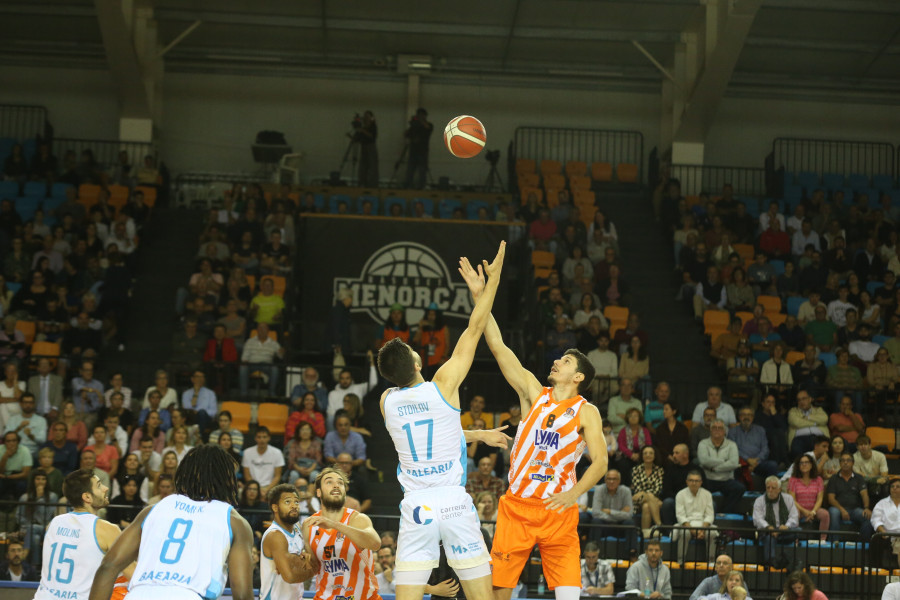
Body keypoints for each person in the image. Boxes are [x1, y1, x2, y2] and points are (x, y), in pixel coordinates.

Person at [460, 251, 610, 600]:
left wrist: (573, 494)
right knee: (499, 592)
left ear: (579, 376)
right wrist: (480, 293)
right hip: (518, 507)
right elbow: (497, 346)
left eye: (566, 360)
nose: (557, 361)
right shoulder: (533, 393)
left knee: (569, 594)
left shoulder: (587, 412)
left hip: (559, 509)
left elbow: (601, 463)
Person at [375, 243, 507, 600]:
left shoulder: (387, 402)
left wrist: (478, 433)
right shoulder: (444, 385)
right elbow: (476, 326)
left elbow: (433, 430)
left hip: (416, 505)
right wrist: (489, 284)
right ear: (417, 363)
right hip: (453, 501)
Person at [89, 445, 255, 600]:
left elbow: (108, 566)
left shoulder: (154, 509)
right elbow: (241, 593)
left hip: (139, 594)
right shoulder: (234, 521)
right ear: (226, 478)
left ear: (185, 472)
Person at [34, 469, 127, 598]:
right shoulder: (107, 529)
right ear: (87, 497)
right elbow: (134, 574)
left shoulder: (53, 524)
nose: (105, 488)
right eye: (99, 485)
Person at [298, 468, 382, 599]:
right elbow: (314, 567)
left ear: (344, 491)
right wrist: (300, 561)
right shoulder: (309, 525)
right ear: (318, 492)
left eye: (340, 483)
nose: (336, 485)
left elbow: (375, 543)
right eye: (329, 482)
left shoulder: (357, 519)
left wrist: (333, 524)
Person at [260, 484, 305, 600]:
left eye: (296, 502)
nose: (294, 506)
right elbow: (289, 576)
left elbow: (309, 558)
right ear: (275, 508)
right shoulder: (275, 535)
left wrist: (298, 562)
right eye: (287, 502)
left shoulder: (297, 528)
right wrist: (314, 567)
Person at [697, 420, 745, 513]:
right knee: (694, 486)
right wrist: (724, 461)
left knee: (740, 488)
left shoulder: (732, 445)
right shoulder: (703, 443)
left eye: (720, 428)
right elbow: (704, 460)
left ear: (725, 431)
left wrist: (714, 469)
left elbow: (734, 463)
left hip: (726, 480)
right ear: (710, 430)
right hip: (708, 479)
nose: (717, 430)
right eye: (714, 428)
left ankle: (724, 512)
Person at [753, 476, 800, 568]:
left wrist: (786, 526)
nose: (770, 490)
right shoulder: (759, 501)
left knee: (798, 530)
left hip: (784, 531)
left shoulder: (788, 499)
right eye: (768, 487)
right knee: (768, 537)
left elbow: (794, 517)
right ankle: (771, 563)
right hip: (767, 531)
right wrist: (768, 527)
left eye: (773, 488)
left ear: (779, 489)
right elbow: (757, 519)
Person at [825, 452, 873, 541]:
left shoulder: (859, 478)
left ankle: (862, 544)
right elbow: (831, 499)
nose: (845, 462)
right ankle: (834, 543)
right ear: (840, 463)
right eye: (843, 460)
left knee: (868, 517)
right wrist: (842, 510)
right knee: (833, 513)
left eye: (848, 460)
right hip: (838, 509)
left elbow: (864, 494)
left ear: (853, 463)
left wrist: (866, 508)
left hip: (855, 509)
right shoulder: (834, 478)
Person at [674, 470, 717, 564]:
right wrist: (693, 531)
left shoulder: (707, 494)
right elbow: (680, 516)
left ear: (701, 482)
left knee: (713, 533)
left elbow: (709, 515)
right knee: (685, 533)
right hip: (686, 524)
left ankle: (711, 561)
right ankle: (681, 561)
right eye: (691, 480)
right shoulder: (680, 494)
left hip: (703, 524)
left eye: (697, 481)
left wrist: (702, 530)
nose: (694, 483)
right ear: (687, 482)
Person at [787, 454, 829, 542]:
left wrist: (813, 512)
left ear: (811, 464)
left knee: (825, 514)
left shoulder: (818, 479)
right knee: (795, 514)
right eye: (801, 463)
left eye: (806, 462)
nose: (804, 465)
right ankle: (795, 539)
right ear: (798, 466)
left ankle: (822, 540)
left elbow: (819, 499)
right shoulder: (793, 480)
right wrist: (804, 511)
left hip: (814, 509)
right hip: (798, 508)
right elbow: (792, 499)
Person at [729, 406, 780, 480]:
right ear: (739, 417)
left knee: (773, 465)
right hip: (741, 463)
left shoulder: (760, 430)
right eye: (744, 415)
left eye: (749, 415)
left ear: (753, 418)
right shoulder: (732, 431)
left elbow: (765, 449)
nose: (746, 417)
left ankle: (771, 490)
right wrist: (748, 460)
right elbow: (733, 450)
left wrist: (756, 462)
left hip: (758, 463)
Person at [242, 426, 284, 497]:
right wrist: (257, 490)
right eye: (259, 437)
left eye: (264, 437)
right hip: (253, 487)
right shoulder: (247, 452)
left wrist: (267, 490)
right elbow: (247, 476)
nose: (262, 440)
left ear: (269, 438)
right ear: (255, 438)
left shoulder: (277, 453)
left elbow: (277, 476)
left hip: (270, 487)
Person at [872, 479, 900, 568]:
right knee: (876, 539)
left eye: (898, 487)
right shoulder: (882, 503)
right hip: (887, 535)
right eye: (892, 486)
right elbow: (875, 520)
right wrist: (883, 532)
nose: (894, 488)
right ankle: (877, 569)